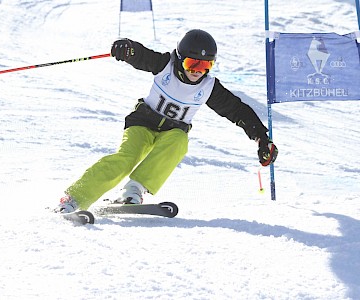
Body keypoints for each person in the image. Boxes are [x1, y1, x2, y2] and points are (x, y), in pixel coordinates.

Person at [54, 29, 278, 213]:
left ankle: (134, 189)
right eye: (193, 64)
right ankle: (73, 198)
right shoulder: (165, 65)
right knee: (125, 159)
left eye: (205, 66)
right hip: (143, 123)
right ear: (180, 59)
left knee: (180, 142)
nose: (198, 72)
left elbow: (238, 111)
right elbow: (141, 56)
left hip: (172, 132)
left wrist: (261, 138)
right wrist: (127, 48)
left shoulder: (209, 87)